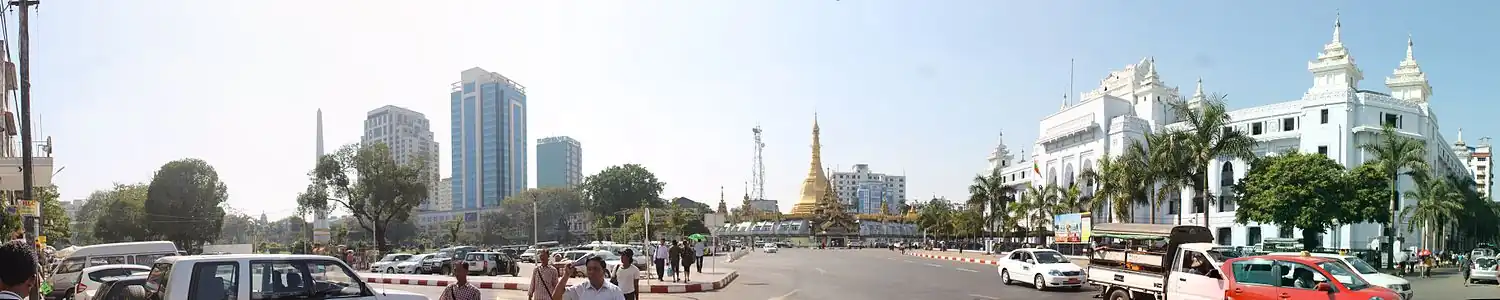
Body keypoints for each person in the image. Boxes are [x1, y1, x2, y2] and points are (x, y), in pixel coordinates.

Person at [550, 256, 626, 300]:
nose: (592, 272)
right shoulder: (580, 289)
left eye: (596, 269)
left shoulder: (615, 291)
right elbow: (556, 297)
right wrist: (566, 275)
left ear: (604, 271)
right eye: (589, 269)